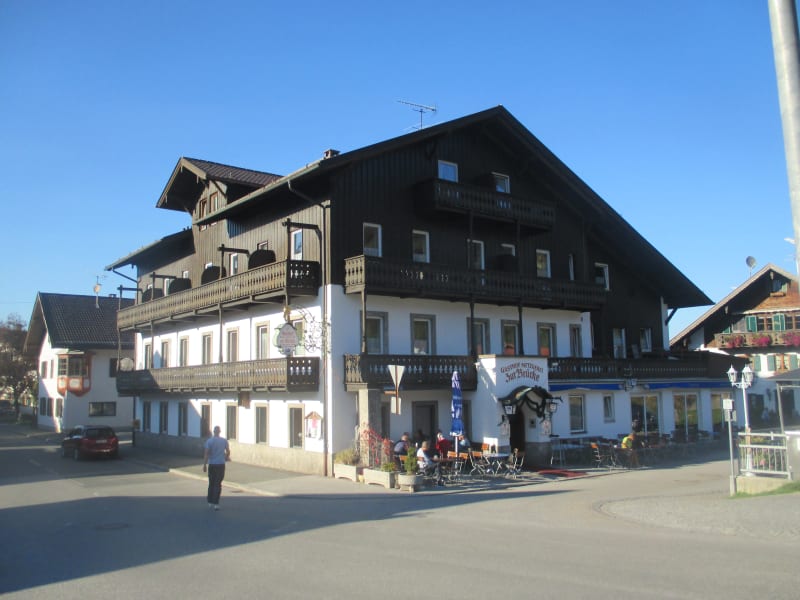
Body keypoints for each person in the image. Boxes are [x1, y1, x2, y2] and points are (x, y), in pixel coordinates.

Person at [203, 425, 231, 510]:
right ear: (219, 432)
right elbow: (228, 451)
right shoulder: (224, 441)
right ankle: (216, 503)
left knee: (211, 483)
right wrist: (225, 457)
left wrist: (204, 465)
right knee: (218, 484)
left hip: (212, 464)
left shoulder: (209, 441)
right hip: (221, 464)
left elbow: (206, 453)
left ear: (213, 432)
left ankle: (210, 501)